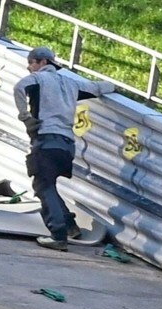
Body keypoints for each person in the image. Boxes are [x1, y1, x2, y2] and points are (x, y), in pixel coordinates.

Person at [14, 46, 117, 250]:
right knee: (48, 184)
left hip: (46, 139)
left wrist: (25, 116)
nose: (29, 67)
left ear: (43, 62)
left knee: (43, 185)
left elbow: (18, 88)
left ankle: (58, 235)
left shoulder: (39, 79)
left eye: (31, 62)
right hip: (67, 143)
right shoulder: (71, 83)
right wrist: (115, 86)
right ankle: (70, 225)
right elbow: (99, 88)